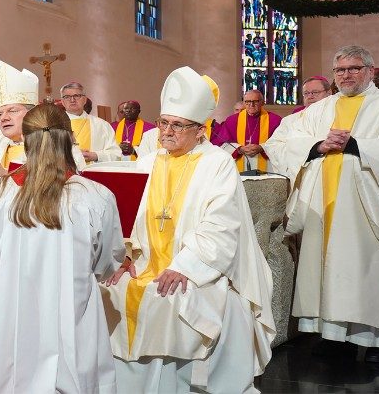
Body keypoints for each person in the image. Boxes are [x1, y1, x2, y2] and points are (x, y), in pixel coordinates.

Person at [102, 66, 275, 393]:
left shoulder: (217, 162)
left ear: (200, 129)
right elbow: (130, 214)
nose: (167, 131)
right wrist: (124, 256)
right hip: (146, 261)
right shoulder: (148, 160)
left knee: (175, 297)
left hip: (201, 265)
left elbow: (221, 224)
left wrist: (186, 266)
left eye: (177, 125)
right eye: (163, 122)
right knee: (111, 288)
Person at [0, 102, 125, 393]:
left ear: (25, 141)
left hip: (7, 317)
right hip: (71, 315)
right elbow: (106, 263)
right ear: (69, 139)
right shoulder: (96, 197)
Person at [278, 45, 379, 363]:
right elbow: (282, 140)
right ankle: (333, 338)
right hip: (323, 206)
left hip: (367, 207)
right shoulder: (319, 110)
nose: (347, 75)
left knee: (369, 270)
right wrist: (317, 145)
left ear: (370, 71)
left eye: (354, 68)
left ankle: (377, 344)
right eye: (340, 70)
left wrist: (356, 145)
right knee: (325, 269)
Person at [0, 60, 86, 204]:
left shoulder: (60, 147)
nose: (4, 118)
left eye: (12, 110)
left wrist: (4, 176)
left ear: (32, 113)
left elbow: (66, 197)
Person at [264, 76, 331, 176]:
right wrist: (298, 152)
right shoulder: (290, 120)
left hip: (329, 170)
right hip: (302, 174)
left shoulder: (336, 115)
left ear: (329, 93)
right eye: (306, 93)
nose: (310, 96)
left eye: (315, 92)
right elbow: (272, 145)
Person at [210, 89, 282, 173]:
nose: (251, 105)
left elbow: (281, 144)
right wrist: (239, 149)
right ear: (244, 103)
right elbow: (221, 143)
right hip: (238, 167)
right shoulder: (232, 120)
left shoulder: (275, 120)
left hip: (268, 168)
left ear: (262, 102)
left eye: (255, 101)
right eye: (247, 101)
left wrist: (262, 148)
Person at [60, 81, 121, 163]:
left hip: (93, 173)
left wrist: (96, 156)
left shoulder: (102, 125)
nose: (72, 100)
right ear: (62, 102)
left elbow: (116, 154)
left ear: (85, 100)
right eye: (67, 97)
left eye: (77, 96)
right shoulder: (55, 124)